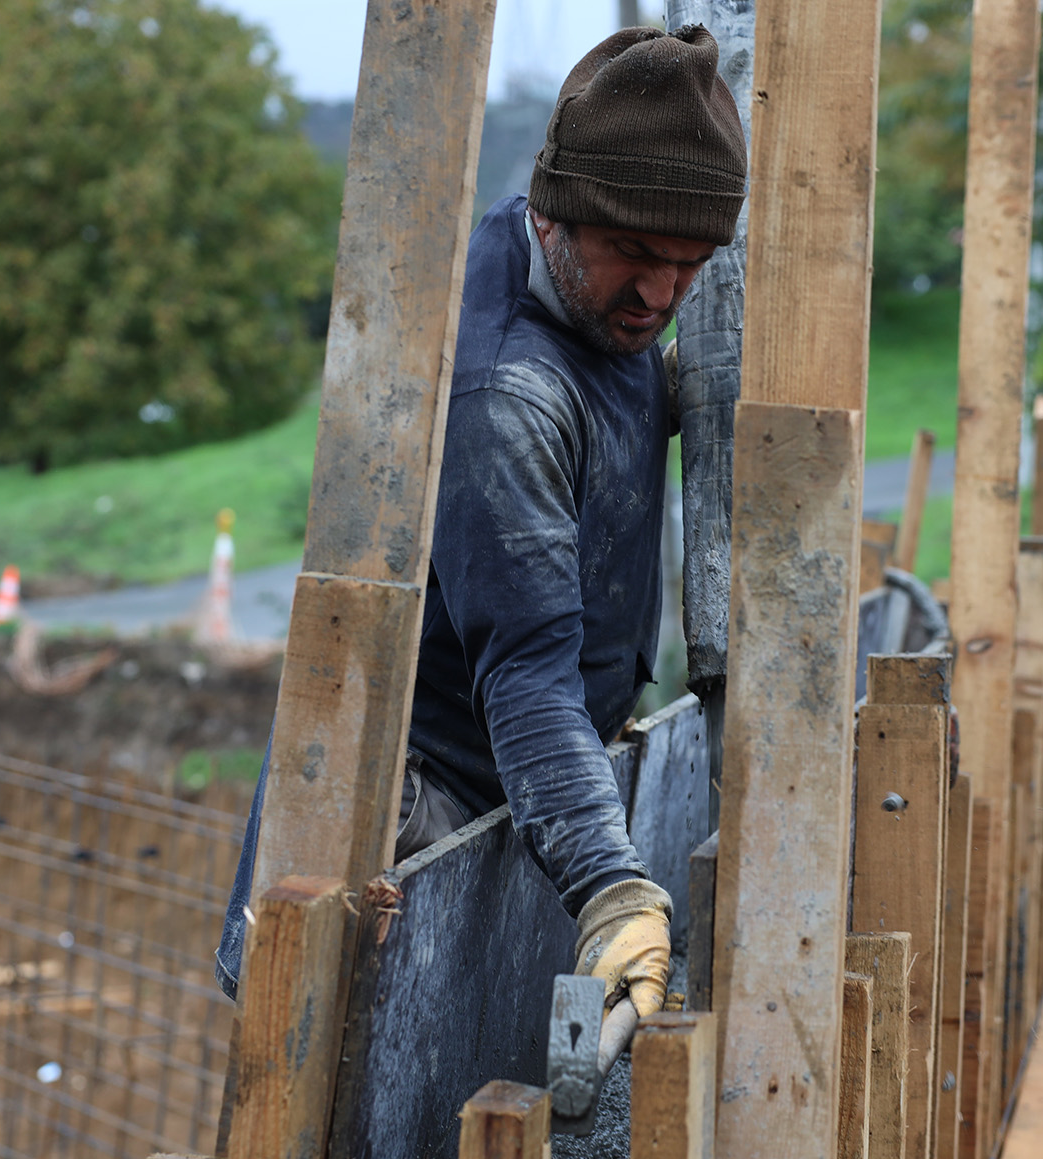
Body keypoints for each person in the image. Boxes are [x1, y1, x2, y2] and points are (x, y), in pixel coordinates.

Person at [217, 24, 747, 1026]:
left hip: (506, 787)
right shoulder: (505, 393)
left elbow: (615, 359)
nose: (660, 294)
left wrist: (668, 392)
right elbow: (529, 676)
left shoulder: (581, 276)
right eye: (636, 256)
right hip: (414, 821)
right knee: (363, 1091)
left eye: (690, 266)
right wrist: (608, 887)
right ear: (557, 212)